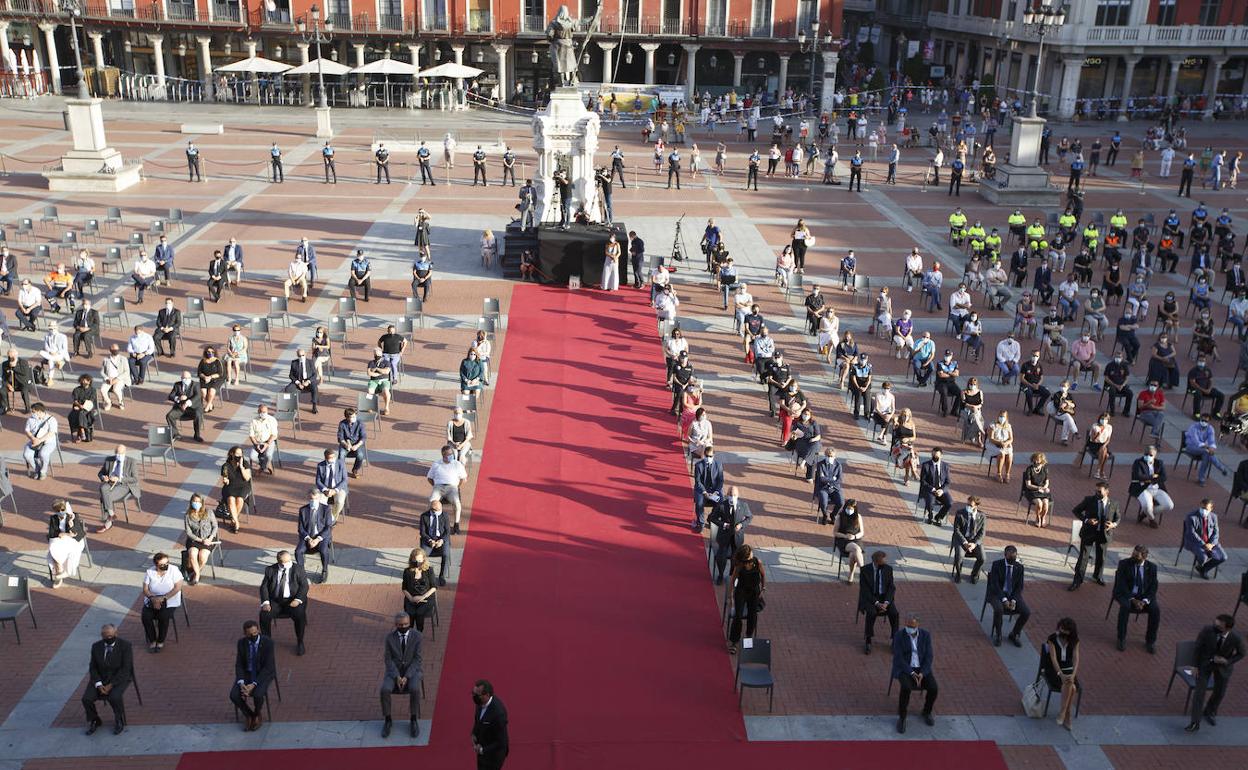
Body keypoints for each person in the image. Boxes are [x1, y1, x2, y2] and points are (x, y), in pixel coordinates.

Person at [1186, 614, 1245, 732]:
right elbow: (1197, 647)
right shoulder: (1207, 630)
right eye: (1215, 623)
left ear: (1227, 629)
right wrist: (1194, 666)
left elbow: (1242, 653)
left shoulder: (1236, 638)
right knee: (1199, 693)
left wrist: (1227, 661)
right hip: (1205, 664)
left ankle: (1209, 711)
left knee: (1220, 692)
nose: (1215, 627)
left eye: (1219, 626)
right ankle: (1195, 722)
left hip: (1223, 667)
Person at [82, 623, 134, 736]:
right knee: (86, 699)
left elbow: (125, 669)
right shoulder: (96, 647)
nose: (108, 638)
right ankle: (95, 719)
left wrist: (111, 685)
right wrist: (99, 684)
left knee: (114, 697)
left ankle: (119, 719)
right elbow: (93, 667)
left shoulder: (125, 646)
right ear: (102, 635)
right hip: (100, 678)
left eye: (110, 636)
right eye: (105, 636)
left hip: (119, 678)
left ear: (116, 633)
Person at [378, 612, 423, 739]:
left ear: (409, 623)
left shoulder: (417, 636)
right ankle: (388, 720)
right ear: (395, 625)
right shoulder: (389, 638)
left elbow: (417, 660)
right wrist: (397, 676)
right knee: (385, 689)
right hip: (394, 672)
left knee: (414, 688)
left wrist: (407, 676)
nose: (403, 627)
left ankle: (413, 719)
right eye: (400, 625)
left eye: (405, 624)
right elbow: (388, 660)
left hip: (412, 672)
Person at [892, 614, 938, 733]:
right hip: (905, 669)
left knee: (933, 688)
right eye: (907, 625)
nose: (909, 628)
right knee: (906, 688)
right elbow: (899, 658)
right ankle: (902, 717)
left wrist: (922, 673)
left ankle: (926, 711)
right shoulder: (899, 636)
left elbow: (929, 656)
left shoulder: (925, 635)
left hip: (921, 669)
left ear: (917, 625)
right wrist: (911, 672)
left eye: (912, 626)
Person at [1112, 544, 1160, 653]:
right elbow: (1121, 585)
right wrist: (1132, 599)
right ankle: (1121, 638)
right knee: (1125, 607)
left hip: (1144, 597)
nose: (1133, 557)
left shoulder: (1152, 568)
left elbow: (1153, 587)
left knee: (1155, 609)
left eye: (1136, 556)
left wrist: (1145, 601)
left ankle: (1150, 641)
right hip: (1126, 594)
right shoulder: (1124, 564)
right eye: (1133, 554)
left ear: (1144, 557)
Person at [230, 619, 277, 732]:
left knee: (258, 694)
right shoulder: (241, 643)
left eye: (255, 633)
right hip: (247, 673)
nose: (253, 636)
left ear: (258, 631)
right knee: (234, 695)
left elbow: (268, 667)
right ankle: (249, 715)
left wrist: (254, 684)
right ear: (245, 634)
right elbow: (239, 664)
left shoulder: (268, 643)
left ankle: (257, 714)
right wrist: (241, 682)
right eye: (250, 634)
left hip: (263, 674)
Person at [259, 550, 308, 656]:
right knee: (264, 615)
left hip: (293, 600)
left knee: (299, 615)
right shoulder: (270, 570)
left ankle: (300, 641)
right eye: (285, 562)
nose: (288, 564)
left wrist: (298, 600)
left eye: (289, 561)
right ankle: (267, 642)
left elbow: (304, 586)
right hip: (276, 601)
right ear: (278, 562)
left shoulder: (298, 569)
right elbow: (264, 587)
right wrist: (266, 602)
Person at [1041, 617, 1080, 731]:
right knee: (1071, 687)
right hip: (1054, 670)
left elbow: (1076, 659)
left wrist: (1073, 674)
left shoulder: (1075, 640)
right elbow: (1053, 658)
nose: (1061, 632)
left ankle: (1063, 713)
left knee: (1070, 684)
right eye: (1061, 629)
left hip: (1069, 670)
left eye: (1065, 630)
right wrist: (1060, 674)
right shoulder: (1052, 638)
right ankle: (1066, 715)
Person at [986, 546, 1030, 647]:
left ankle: (1014, 634)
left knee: (1026, 612)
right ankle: (999, 635)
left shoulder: (1019, 567)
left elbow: (1019, 587)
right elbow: (995, 585)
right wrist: (1004, 599)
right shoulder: (997, 565)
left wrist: (1014, 600)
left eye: (1014, 559)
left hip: (1012, 595)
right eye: (1010, 559)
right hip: (997, 594)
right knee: (999, 609)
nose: (1012, 562)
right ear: (1005, 556)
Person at [726, 544, 766, 654]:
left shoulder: (757, 562)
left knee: (752, 615)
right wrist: (731, 596)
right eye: (750, 553)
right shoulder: (739, 565)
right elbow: (733, 580)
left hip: (754, 592)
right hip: (741, 591)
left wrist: (763, 588)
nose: (752, 554)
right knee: (738, 616)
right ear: (746, 557)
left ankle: (748, 638)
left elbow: (763, 575)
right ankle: (734, 641)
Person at [140, 551, 182, 653]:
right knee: (146, 616)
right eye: (162, 564)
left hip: (169, 599)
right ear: (156, 565)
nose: (165, 566)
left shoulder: (174, 570)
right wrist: (152, 598)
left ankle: (161, 640)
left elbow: (177, 587)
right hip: (152, 599)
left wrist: (163, 598)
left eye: (167, 563)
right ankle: (152, 640)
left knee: (163, 616)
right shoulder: (150, 572)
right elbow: (145, 589)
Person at [709, 486, 752, 584]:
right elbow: (713, 518)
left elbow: (749, 517)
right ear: (727, 495)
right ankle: (720, 574)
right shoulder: (722, 506)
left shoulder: (743, 505)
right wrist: (724, 524)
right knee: (721, 556)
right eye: (731, 495)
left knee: (736, 557)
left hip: (737, 537)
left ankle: (733, 574)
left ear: (738, 495)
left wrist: (741, 525)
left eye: (735, 495)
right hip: (724, 536)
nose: (733, 497)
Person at [859, 550, 898, 655]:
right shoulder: (865, 571)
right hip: (871, 599)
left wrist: (886, 602)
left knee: (894, 613)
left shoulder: (888, 569)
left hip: (884, 598)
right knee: (871, 613)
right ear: (876, 563)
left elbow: (891, 588)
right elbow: (865, 591)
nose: (884, 565)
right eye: (882, 564)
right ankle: (868, 639)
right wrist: (876, 603)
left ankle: (895, 639)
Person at [295, 490, 335, 584]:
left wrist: (317, 539)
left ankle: (324, 570)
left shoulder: (326, 509)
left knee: (324, 550)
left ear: (319, 498)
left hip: (321, 537)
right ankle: (301, 572)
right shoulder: (303, 510)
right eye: (311, 499)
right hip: (307, 537)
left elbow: (328, 527)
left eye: (315, 499)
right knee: (298, 551)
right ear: (308, 498)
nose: (313, 501)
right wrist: (309, 539)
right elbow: (300, 528)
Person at [428, 445, 468, 533]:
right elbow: (429, 478)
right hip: (439, 487)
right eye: (449, 454)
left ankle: (456, 524)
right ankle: (432, 523)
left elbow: (463, 478)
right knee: (431, 501)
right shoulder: (436, 464)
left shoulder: (457, 464)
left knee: (457, 504)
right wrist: (436, 486)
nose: (451, 456)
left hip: (452, 488)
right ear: (443, 456)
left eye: (451, 454)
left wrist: (457, 486)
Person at [1130, 445, 1172, 528]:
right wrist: (1152, 476)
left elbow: (1164, 477)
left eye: (1150, 455)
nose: (1148, 456)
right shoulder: (1138, 462)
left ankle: (1144, 514)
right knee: (1146, 505)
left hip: (1156, 488)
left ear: (1155, 455)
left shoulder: (1159, 463)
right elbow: (1138, 476)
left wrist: (1152, 480)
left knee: (1169, 505)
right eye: (1146, 454)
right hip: (1142, 488)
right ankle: (1151, 519)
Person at [1183, 498, 1227, 579]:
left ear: (1211, 509)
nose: (1203, 510)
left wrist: (1211, 543)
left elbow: (1216, 532)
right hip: (1196, 542)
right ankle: (1201, 565)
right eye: (1202, 508)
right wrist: (1204, 544)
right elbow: (1191, 533)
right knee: (1203, 557)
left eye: (1206, 509)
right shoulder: (1191, 517)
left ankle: (1203, 569)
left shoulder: (1214, 517)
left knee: (1222, 557)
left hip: (1211, 543)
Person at [47, 499, 86, 589]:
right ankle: (59, 573)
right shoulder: (53, 518)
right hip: (60, 540)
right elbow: (51, 533)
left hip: (74, 541)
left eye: (62, 510)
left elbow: (77, 534)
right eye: (58, 511)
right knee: (53, 549)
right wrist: (62, 534)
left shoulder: (73, 516)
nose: (60, 512)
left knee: (69, 551)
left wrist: (71, 525)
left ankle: (66, 572)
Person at [471, 679, 509, 769]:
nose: (474, 697)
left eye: (477, 695)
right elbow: (478, 720)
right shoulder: (480, 702)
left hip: (494, 756)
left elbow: (501, 742)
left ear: (487, 695)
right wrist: (474, 733)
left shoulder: (498, 714)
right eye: (473, 693)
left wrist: (482, 750)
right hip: (482, 749)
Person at [1184, 414, 1230, 485]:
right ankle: (1221, 468)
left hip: (1203, 449)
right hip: (1191, 447)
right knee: (1207, 452)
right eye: (1202, 420)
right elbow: (1196, 441)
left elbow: (1212, 441)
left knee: (1207, 454)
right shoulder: (1194, 427)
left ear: (1208, 422)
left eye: (1206, 421)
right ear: (1200, 420)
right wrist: (1208, 448)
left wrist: (1212, 448)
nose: (1204, 422)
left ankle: (1201, 479)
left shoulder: (1210, 428)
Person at [182, 493, 217, 586]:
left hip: (208, 539)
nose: (196, 503)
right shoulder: (187, 515)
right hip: (194, 540)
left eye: (198, 501)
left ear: (202, 503)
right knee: (193, 553)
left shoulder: (209, 512)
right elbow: (188, 532)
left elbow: (215, 526)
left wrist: (210, 538)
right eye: (194, 501)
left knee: (202, 556)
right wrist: (200, 540)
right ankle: (197, 574)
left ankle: (195, 570)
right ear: (191, 502)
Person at [402, 548, 438, 633]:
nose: (417, 562)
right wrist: (411, 598)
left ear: (423, 559)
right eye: (415, 560)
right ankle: (409, 633)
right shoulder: (407, 571)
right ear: (412, 560)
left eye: (419, 560)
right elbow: (404, 588)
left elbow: (434, 587)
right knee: (411, 613)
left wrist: (422, 597)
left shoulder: (429, 570)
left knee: (419, 613)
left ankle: (419, 633)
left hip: (426, 598)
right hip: (411, 598)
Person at [950, 496, 985, 583]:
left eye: (970, 505)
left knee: (982, 558)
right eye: (967, 504)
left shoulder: (982, 516)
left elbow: (982, 533)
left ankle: (974, 575)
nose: (968, 506)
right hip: (962, 540)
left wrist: (974, 544)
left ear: (976, 506)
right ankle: (958, 574)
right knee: (959, 557)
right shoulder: (960, 513)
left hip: (974, 541)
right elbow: (956, 530)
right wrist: (965, 542)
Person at [220, 446, 252, 533]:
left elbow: (247, 478)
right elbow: (225, 476)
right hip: (230, 486)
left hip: (243, 486)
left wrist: (241, 467)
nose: (239, 456)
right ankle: (236, 522)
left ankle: (233, 521)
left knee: (240, 499)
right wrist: (225, 480)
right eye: (237, 454)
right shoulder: (226, 466)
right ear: (232, 454)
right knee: (231, 499)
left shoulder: (245, 463)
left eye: (241, 454)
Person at [165, 370, 204, 443]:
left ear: (190, 378)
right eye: (184, 378)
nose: (186, 380)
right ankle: (176, 434)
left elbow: (197, 396)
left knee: (198, 415)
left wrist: (187, 403)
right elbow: (171, 396)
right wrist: (178, 398)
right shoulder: (177, 385)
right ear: (181, 378)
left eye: (187, 378)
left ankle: (197, 435)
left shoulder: (196, 385)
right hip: (180, 408)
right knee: (169, 416)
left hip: (193, 408)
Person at [22, 402, 57, 480]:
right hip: (34, 440)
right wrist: (32, 438)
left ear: (40, 411)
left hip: (48, 442)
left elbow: (51, 433)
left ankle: (43, 471)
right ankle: (37, 469)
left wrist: (40, 440)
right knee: (26, 455)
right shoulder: (31, 419)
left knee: (43, 454)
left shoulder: (52, 419)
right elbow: (27, 430)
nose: (32, 413)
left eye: (34, 412)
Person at [919, 448, 952, 525]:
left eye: (937, 456)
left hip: (941, 490)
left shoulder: (945, 466)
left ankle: (938, 517)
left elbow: (948, 482)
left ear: (941, 456)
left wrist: (942, 490)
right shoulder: (926, 465)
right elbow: (923, 481)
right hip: (930, 490)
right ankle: (930, 516)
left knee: (949, 502)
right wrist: (933, 489)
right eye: (933, 455)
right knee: (930, 502)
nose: (934, 457)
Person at [247, 404, 278, 475]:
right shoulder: (253, 421)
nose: (263, 413)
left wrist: (267, 444)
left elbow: (274, 435)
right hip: (258, 442)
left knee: (268, 455)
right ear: (258, 411)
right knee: (252, 456)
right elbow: (251, 435)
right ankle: (267, 465)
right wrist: (256, 444)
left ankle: (261, 469)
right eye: (261, 412)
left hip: (269, 442)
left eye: (264, 412)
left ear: (267, 411)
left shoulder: (272, 420)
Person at [287, 349, 319, 414]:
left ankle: (314, 406)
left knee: (315, 388)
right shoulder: (294, 363)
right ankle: (291, 406)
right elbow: (291, 375)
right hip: (298, 382)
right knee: (288, 389)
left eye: (303, 355)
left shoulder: (310, 362)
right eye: (299, 355)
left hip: (308, 382)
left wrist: (308, 381)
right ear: (297, 355)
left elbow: (315, 374)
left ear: (305, 354)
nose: (301, 357)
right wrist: (298, 383)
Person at [68, 373, 97, 443]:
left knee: (81, 413)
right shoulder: (77, 389)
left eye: (87, 380)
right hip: (78, 407)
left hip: (88, 408)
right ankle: (81, 432)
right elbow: (75, 400)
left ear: (90, 381)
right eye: (83, 381)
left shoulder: (93, 390)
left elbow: (91, 401)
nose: (85, 382)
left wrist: (83, 407)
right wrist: (79, 405)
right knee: (73, 415)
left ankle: (80, 433)